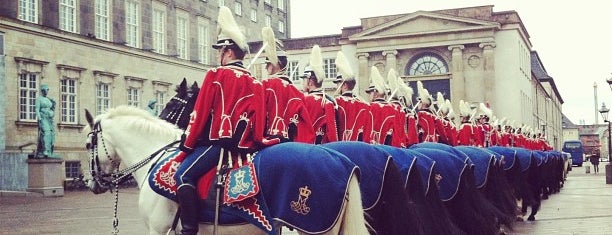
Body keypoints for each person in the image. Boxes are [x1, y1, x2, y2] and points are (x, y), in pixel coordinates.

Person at [173, 7, 279, 235]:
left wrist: (187, 146)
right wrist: (262, 141)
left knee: (183, 174)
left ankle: (189, 230)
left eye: (219, 50)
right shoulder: (257, 83)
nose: (217, 56)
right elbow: (260, 126)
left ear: (228, 52)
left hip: (219, 146)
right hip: (247, 148)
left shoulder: (216, 76)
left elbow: (199, 116)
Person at [260, 26, 315, 143]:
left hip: (267, 142)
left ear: (276, 64)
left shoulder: (265, 85)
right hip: (290, 143)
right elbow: (305, 127)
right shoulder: (297, 93)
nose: (266, 67)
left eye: (268, 63)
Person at [301, 45, 338, 144]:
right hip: (321, 149)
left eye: (304, 79)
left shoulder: (301, 100)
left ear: (310, 82)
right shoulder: (329, 102)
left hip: (300, 149)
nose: (302, 82)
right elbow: (332, 136)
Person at [333, 51, 371, 142]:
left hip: (340, 146)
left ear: (344, 85)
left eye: (338, 83)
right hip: (359, 147)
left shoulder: (336, 102)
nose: (336, 86)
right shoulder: (364, 104)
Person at [35, 84, 56, 158]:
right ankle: (45, 150)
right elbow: (37, 109)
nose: (46, 91)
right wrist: (39, 119)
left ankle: (50, 150)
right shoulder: (39, 99)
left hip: (50, 119)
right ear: (42, 91)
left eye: (47, 90)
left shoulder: (48, 99)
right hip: (43, 118)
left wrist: (54, 104)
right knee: (46, 132)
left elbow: (52, 109)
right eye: (45, 90)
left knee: (51, 134)